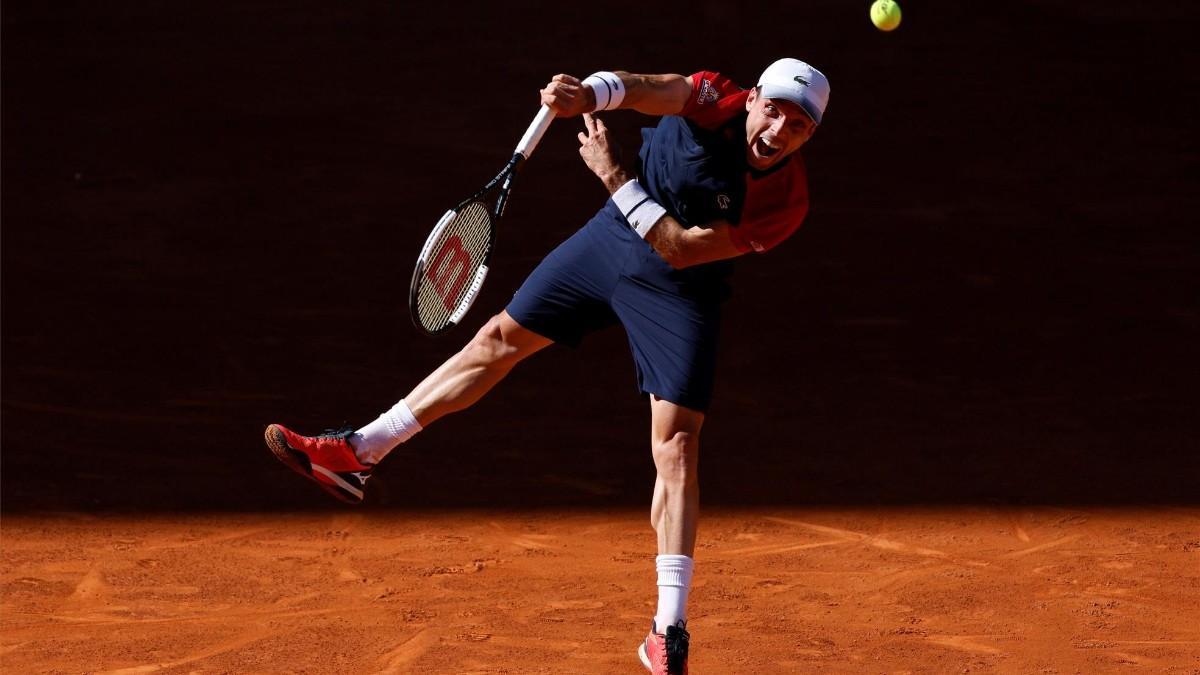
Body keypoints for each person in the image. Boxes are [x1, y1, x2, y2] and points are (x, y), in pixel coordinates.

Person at [264, 58, 829, 675]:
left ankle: (668, 629)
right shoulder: (714, 96)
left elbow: (680, 248)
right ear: (752, 101)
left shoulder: (786, 201)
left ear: (808, 137)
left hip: (678, 286)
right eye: (772, 109)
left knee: (677, 446)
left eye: (797, 125)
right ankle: (358, 453)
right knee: (499, 338)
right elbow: (647, 89)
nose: (778, 129)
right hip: (612, 239)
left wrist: (614, 176)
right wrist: (591, 93)